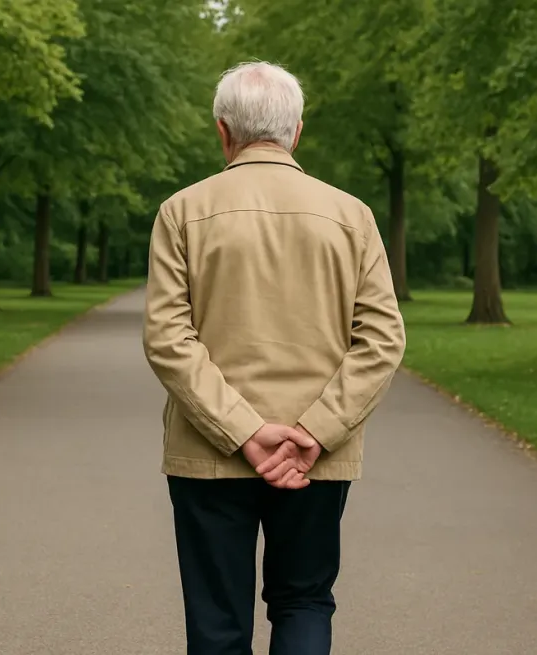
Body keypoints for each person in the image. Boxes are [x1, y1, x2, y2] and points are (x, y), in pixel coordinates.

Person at [142, 61, 406, 655]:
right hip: (316, 456)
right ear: (297, 131)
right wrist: (315, 430)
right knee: (304, 601)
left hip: (210, 452)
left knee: (217, 619)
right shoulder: (352, 216)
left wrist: (244, 432)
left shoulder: (182, 211)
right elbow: (383, 338)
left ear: (222, 131)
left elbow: (167, 336)